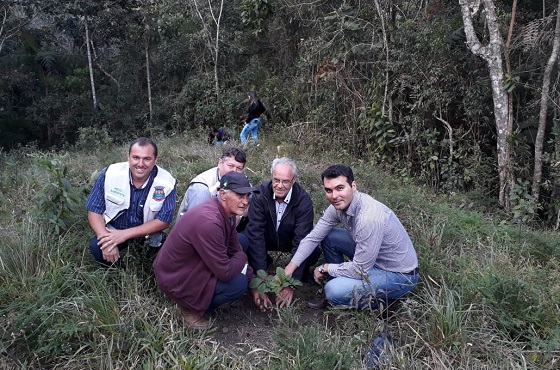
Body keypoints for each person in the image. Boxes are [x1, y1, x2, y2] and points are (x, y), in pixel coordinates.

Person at [278, 164, 419, 310]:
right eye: (328, 190)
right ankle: (342, 286)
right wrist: (289, 269)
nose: (334, 196)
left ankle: (385, 303)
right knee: (329, 236)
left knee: (333, 290)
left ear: (353, 186)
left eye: (340, 188)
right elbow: (313, 237)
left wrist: (324, 268)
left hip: (398, 274)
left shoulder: (368, 217)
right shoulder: (338, 206)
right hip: (372, 258)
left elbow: (360, 270)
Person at [153, 171, 272, 330]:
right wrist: (242, 258)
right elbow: (225, 272)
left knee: (242, 241)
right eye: (239, 195)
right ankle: (189, 308)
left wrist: (253, 281)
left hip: (189, 264)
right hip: (175, 278)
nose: (245, 201)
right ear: (223, 194)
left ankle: (200, 296)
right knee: (237, 284)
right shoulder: (209, 222)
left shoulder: (225, 212)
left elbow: (234, 246)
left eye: (247, 196)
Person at [86, 137, 177, 266]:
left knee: (163, 263)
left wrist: (125, 234)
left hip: (148, 234)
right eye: (136, 157)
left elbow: (163, 221)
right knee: (97, 248)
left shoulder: (167, 182)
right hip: (114, 230)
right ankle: (119, 272)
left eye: (147, 159)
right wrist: (105, 239)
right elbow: (93, 211)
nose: (140, 164)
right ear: (128, 157)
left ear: (155, 160)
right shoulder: (109, 174)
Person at [239, 157, 320, 286]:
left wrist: (290, 282)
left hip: (289, 239)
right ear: (272, 176)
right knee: (245, 239)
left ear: (293, 180)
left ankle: (302, 273)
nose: (280, 186)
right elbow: (256, 233)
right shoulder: (260, 194)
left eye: (286, 181)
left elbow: (302, 240)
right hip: (267, 237)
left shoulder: (303, 201)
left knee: (313, 250)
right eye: (276, 180)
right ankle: (262, 262)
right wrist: (262, 275)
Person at [176, 147, 247, 219]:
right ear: (220, 163)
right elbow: (196, 221)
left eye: (239, 168)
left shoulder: (242, 182)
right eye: (230, 166)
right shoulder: (202, 188)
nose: (234, 171)